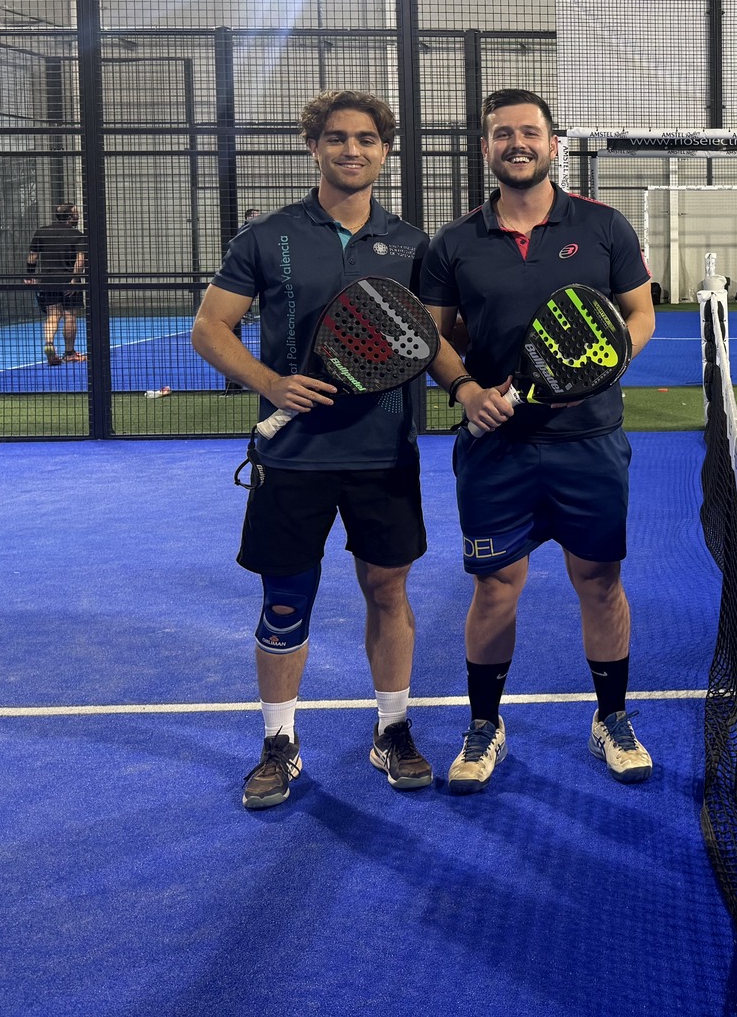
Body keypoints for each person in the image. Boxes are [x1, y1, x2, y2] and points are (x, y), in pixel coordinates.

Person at [190, 90, 436, 810]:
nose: (351, 150)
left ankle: (392, 729)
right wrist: (271, 383)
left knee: (387, 591)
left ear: (385, 151)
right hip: (292, 458)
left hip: (385, 456)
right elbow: (210, 327)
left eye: (366, 139)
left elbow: (436, 336)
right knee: (285, 600)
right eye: (336, 138)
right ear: (314, 147)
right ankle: (279, 742)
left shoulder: (413, 245)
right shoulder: (266, 237)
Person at [419, 88, 657, 794]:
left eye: (530, 132)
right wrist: (466, 389)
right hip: (496, 450)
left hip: (590, 444)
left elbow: (639, 314)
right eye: (502, 133)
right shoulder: (453, 242)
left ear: (554, 144)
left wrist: (600, 366)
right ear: (485, 148)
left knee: (600, 581)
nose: (517, 143)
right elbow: (432, 335)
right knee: (495, 588)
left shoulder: (604, 225)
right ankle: (484, 724)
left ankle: (611, 718)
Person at [25, 202, 87, 365]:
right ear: (70, 217)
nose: (78, 216)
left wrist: (29, 275)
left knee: (52, 315)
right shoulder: (78, 235)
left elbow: (32, 256)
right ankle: (70, 353)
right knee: (70, 316)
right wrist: (74, 280)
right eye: (76, 214)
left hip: (48, 280)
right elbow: (80, 260)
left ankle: (49, 346)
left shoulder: (41, 232)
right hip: (67, 280)